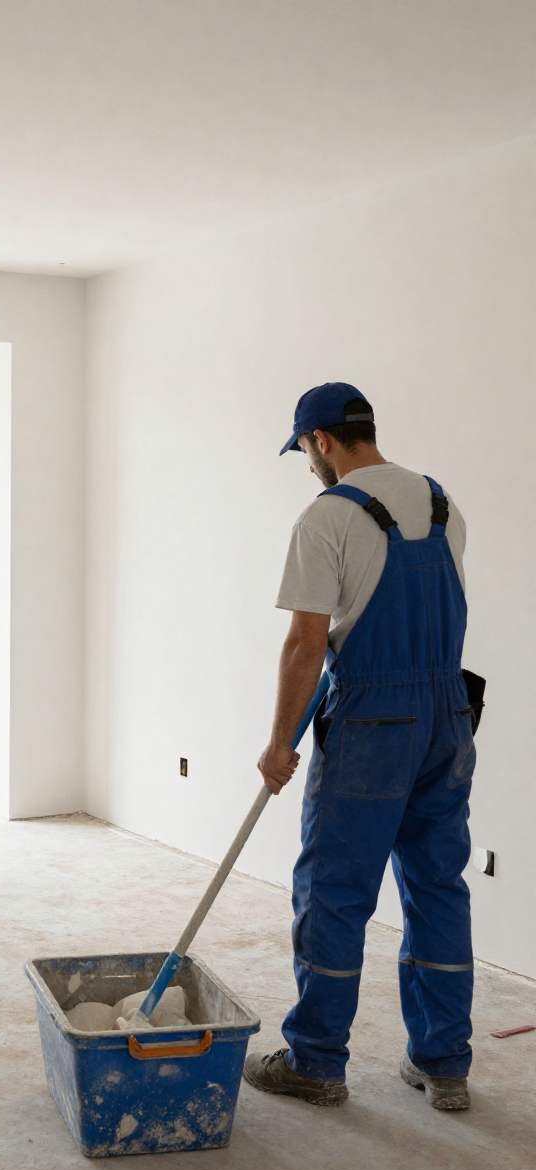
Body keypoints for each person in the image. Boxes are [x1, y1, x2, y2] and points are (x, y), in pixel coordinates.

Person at [243, 382, 477, 1112]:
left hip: (375, 721)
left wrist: (280, 743)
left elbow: (306, 643)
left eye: (305, 451)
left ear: (320, 441)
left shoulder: (327, 518)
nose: (309, 464)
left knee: (336, 893)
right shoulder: (442, 504)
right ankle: (444, 1064)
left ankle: (316, 1061)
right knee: (438, 884)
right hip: (448, 714)